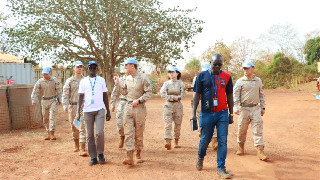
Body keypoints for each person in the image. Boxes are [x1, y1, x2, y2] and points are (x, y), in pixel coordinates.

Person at [191, 54, 234, 179]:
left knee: (223, 141)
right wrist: (193, 114)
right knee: (205, 139)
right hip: (207, 113)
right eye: (215, 64)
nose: (217, 66)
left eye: (219, 65)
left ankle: (221, 168)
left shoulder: (226, 76)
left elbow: (230, 96)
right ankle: (200, 157)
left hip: (222, 113)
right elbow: (196, 95)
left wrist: (230, 113)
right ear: (210, 62)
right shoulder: (202, 76)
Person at [114, 58, 152, 165]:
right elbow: (124, 92)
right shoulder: (127, 78)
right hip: (128, 107)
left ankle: (138, 154)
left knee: (139, 132)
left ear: (133, 66)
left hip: (139, 108)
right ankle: (129, 156)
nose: (125, 67)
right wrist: (117, 84)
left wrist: (139, 100)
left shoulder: (143, 78)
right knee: (128, 132)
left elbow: (149, 92)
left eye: (127, 65)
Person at [77, 61, 111, 166]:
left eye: (94, 68)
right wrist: (78, 111)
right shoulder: (83, 81)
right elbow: (80, 97)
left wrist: (108, 110)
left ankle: (100, 153)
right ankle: (93, 156)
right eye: (90, 68)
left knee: (99, 133)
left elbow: (105, 95)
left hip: (99, 109)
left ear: (97, 69)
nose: (92, 70)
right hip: (87, 111)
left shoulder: (101, 80)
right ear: (87, 69)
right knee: (89, 135)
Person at [233, 61, 268, 161]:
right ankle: (241, 146)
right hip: (243, 109)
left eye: (247, 68)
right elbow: (235, 95)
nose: (245, 70)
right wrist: (235, 107)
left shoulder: (258, 81)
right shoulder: (240, 81)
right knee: (242, 129)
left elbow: (261, 94)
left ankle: (260, 151)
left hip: (255, 108)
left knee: (258, 128)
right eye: (244, 68)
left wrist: (263, 107)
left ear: (253, 68)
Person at [62, 61, 87, 156]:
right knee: (73, 126)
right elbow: (65, 94)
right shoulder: (69, 81)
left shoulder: (86, 80)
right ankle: (76, 143)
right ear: (74, 68)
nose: (79, 68)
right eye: (77, 67)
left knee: (82, 126)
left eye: (81, 67)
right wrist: (65, 105)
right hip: (72, 106)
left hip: (83, 106)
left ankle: (82, 147)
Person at [191, 62, 218, 150]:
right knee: (201, 120)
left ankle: (214, 140)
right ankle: (203, 138)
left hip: (212, 101)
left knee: (214, 119)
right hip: (200, 101)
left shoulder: (215, 76)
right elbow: (195, 93)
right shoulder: (197, 77)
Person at [31, 67, 62, 140]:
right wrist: (33, 100)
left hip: (53, 100)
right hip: (44, 101)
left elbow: (59, 90)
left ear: (49, 73)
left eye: (46, 74)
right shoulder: (40, 82)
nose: (45, 75)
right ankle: (48, 133)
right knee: (45, 118)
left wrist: (60, 99)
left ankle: (52, 133)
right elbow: (35, 91)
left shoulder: (54, 80)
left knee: (52, 117)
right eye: (44, 74)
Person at [160, 67, 186, 150]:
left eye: (173, 72)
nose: (171, 74)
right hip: (168, 105)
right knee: (168, 124)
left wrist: (178, 98)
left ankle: (176, 141)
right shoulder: (166, 83)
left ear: (177, 73)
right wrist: (172, 97)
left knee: (178, 124)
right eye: (170, 72)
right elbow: (162, 94)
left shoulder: (181, 83)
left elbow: (183, 94)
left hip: (178, 106)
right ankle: (167, 141)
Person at [110, 73, 127, 148]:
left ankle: (130, 142)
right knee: (120, 123)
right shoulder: (120, 80)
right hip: (122, 102)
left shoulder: (135, 79)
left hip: (132, 103)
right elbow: (114, 93)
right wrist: (112, 104)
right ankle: (122, 136)